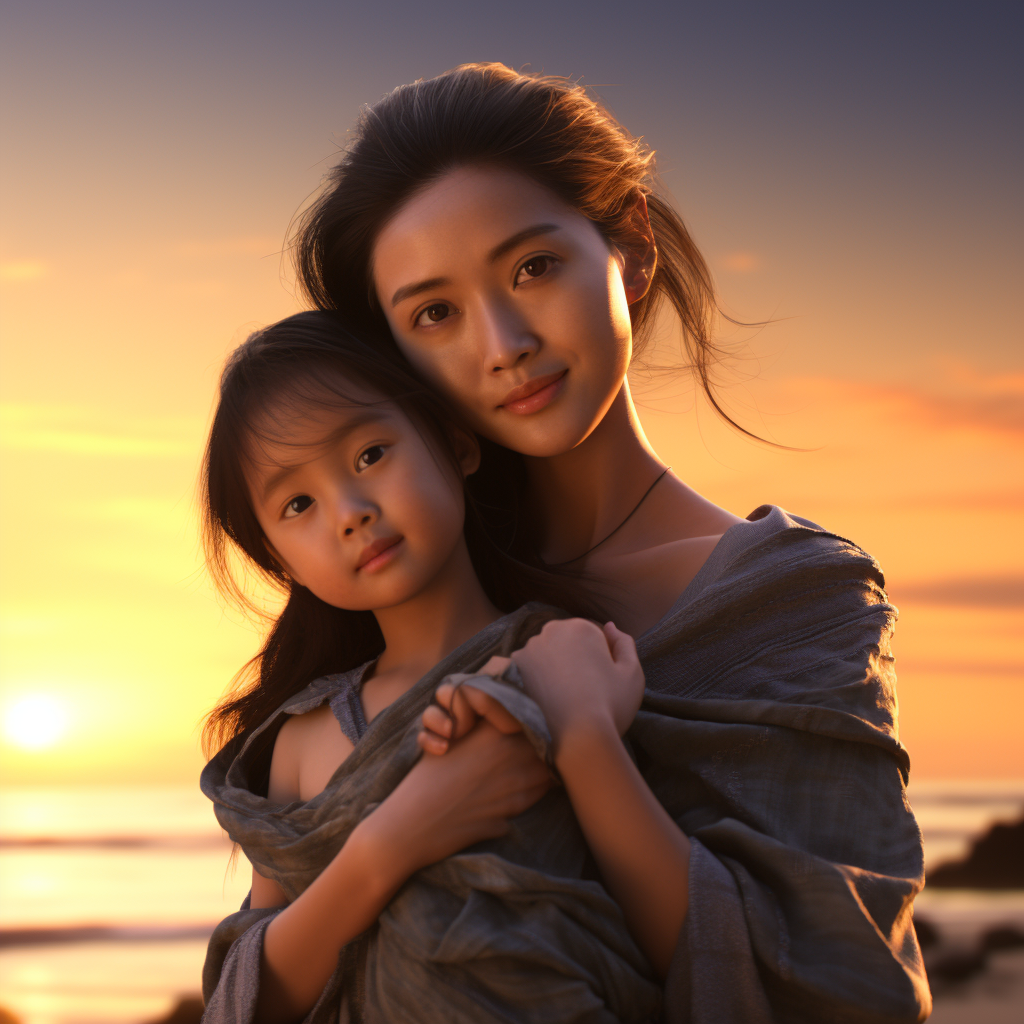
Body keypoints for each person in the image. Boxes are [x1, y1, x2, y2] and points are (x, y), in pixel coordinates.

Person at [291, 63, 932, 1022]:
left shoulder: (794, 601)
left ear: (628, 245)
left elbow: (840, 982)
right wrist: (396, 838)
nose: (501, 341)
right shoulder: (400, 595)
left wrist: (586, 740)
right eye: (436, 313)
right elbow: (268, 972)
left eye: (532, 268)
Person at [198, 311, 664, 1024]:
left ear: (454, 442)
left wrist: (585, 732)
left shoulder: (569, 662)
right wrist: (393, 840)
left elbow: (678, 940)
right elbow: (250, 1001)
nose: (349, 512)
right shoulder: (300, 737)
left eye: (370, 455)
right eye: (298, 504)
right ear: (278, 559)